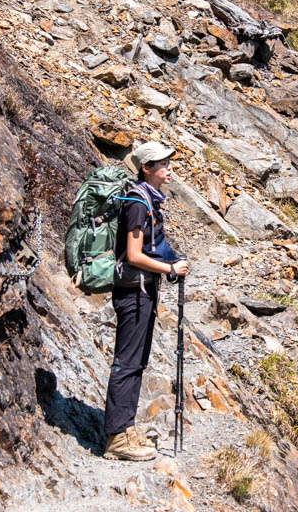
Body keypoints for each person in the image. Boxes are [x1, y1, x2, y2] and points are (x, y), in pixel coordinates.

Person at [103, 142, 189, 461]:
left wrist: (172, 259)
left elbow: (153, 246)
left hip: (142, 291)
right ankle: (116, 438)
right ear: (146, 169)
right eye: (161, 163)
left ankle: (125, 428)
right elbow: (135, 255)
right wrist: (169, 268)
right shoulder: (139, 203)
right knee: (127, 363)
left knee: (136, 362)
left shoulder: (149, 199)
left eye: (168, 162)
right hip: (133, 293)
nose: (169, 168)